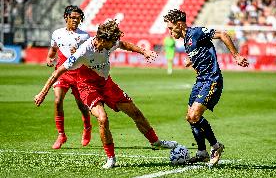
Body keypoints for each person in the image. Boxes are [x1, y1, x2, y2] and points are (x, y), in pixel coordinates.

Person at [34, 19, 178, 169]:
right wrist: (42, 93)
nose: (114, 44)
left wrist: (144, 51)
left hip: (107, 84)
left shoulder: (110, 42)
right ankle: (111, 158)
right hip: (87, 87)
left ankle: (156, 142)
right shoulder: (83, 51)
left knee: (135, 113)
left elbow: (123, 44)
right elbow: (58, 71)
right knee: (102, 118)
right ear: (102, 40)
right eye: (111, 42)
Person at [163, 9, 249, 166]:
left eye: (170, 28)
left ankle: (216, 147)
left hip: (212, 79)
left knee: (194, 116)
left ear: (180, 24)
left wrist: (236, 55)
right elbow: (200, 53)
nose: (169, 32)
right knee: (190, 117)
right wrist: (191, 61)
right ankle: (202, 152)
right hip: (200, 81)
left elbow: (223, 34)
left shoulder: (196, 32)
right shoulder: (187, 40)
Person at [46, 5, 92, 149]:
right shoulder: (57, 33)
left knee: (82, 106)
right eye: (73, 17)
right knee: (58, 100)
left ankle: (87, 127)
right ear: (66, 17)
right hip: (62, 72)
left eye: (78, 18)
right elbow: (54, 48)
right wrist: (49, 57)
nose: (75, 20)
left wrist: (78, 53)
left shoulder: (85, 36)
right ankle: (61, 135)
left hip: (78, 74)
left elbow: (89, 57)